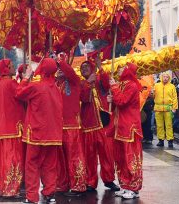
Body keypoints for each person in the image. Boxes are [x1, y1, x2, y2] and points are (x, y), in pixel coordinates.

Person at [16, 58, 63, 204]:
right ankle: (50, 193)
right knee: (50, 165)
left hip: (36, 133)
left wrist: (26, 77)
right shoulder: (56, 88)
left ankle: (32, 197)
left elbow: (19, 93)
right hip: (53, 135)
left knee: (32, 165)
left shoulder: (37, 86)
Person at [79, 58, 120, 192]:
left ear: (92, 69)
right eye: (82, 68)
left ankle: (109, 180)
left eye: (86, 67)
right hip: (88, 124)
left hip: (103, 123)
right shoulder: (81, 83)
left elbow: (106, 83)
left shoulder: (99, 80)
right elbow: (84, 98)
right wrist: (88, 83)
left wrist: (100, 68)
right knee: (89, 156)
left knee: (107, 154)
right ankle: (90, 182)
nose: (83, 69)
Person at [108, 63, 143, 199]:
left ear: (128, 71)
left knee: (130, 158)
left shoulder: (132, 85)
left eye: (123, 68)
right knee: (121, 158)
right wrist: (111, 99)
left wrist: (114, 87)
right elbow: (117, 103)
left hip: (129, 127)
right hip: (120, 127)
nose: (120, 69)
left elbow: (122, 101)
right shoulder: (121, 84)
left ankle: (133, 188)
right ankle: (124, 185)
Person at [56, 57, 86, 196]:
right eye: (57, 69)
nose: (59, 70)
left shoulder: (74, 81)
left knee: (74, 156)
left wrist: (60, 61)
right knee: (60, 158)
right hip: (58, 127)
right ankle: (62, 184)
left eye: (62, 68)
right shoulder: (56, 84)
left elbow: (70, 72)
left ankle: (78, 186)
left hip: (72, 126)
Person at [0, 59, 26, 198]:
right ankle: (11, 189)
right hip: (13, 127)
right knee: (13, 158)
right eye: (12, 66)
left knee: (6, 158)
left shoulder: (1, 83)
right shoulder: (10, 82)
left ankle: (5, 187)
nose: (13, 68)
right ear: (6, 69)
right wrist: (26, 78)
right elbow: (23, 94)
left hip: (5, 127)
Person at [153, 72, 178, 148]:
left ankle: (170, 140)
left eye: (167, 77)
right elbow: (153, 95)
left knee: (169, 125)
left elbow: (174, 97)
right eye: (164, 76)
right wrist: (152, 93)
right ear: (161, 77)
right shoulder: (156, 85)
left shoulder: (172, 86)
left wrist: (174, 108)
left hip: (168, 108)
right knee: (159, 125)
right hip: (158, 108)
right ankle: (161, 140)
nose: (165, 78)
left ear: (169, 78)